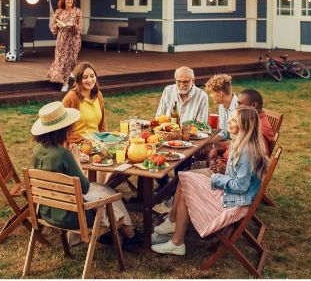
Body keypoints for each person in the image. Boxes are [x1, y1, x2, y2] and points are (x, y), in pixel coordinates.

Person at [151, 106, 270, 256]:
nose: (229, 121)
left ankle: (177, 241)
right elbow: (236, 177)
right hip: (230, 192)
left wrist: (216, 178)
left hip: (233, 201)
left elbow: (240, 186)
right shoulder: (243, 143)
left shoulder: (246, 152)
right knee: (185, 178)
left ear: (244, 126)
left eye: (234, 120)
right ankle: (175, 231)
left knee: (186, 188)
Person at [30, 101, 141, 248]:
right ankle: (130, 235)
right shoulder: (64, 154)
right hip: (73, 216)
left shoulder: (38, 150)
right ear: (64, 129)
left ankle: (125, 233)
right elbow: (85, 188)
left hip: (47, 212)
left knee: (103, 189)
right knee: (109, 195)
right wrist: (76, 162)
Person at [208, 88, 274, 164]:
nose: (237, 107)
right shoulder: (251, 121)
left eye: (240, 103)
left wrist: (221, 167)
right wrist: (216, 149)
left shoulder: (258, 130)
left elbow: (253, 165)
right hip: (227, 162)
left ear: (254, 105)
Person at [62, 62, 106, 145]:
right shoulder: (71, 97)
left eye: (92, 76)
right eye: (85, 77)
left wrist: (105, 140)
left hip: (97, 145)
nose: (89, 80)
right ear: (79, 80)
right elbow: (62, 129)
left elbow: (102, 125)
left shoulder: (98, 95)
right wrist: (83, 141)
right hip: (77, 146)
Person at [47, 0, 82, 92]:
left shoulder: (77, 12)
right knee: (62, 61)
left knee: (71, 61)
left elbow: (79, 29)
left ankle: (69, 74)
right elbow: (53, 29)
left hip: (73, 41)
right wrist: (57, 25)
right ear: (64, 1)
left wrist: (72, 25)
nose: (69, 1)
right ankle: (65, 83)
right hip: (62, 41)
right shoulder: (58, 12)